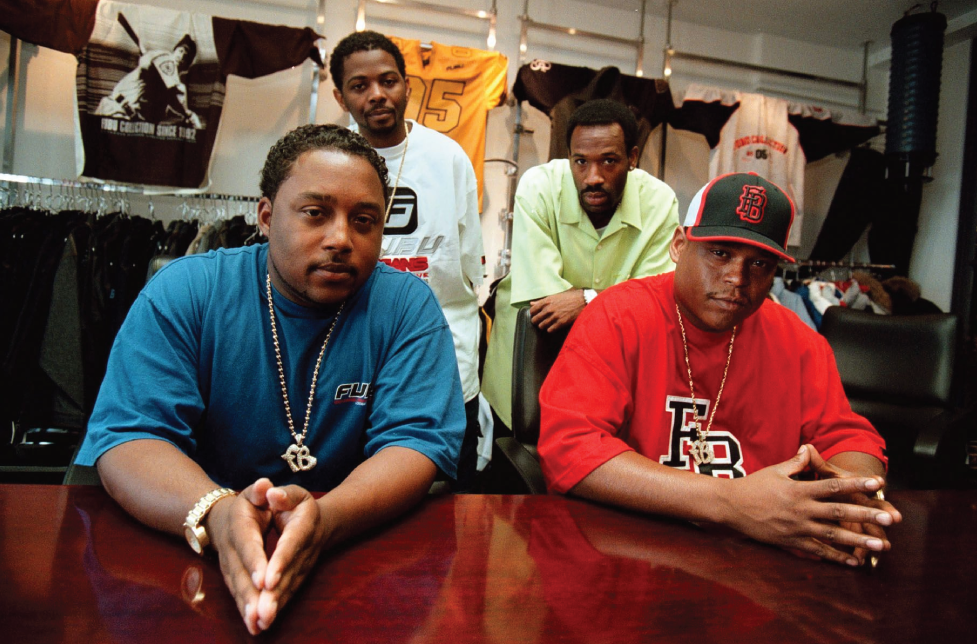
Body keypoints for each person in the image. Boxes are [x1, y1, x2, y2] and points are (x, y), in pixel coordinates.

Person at [74, 124, 466, 634]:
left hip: (348, 554)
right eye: (315, 213)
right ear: (265, 216)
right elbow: (131, 436)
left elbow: (415, 444)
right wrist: (214, 512)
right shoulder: (186, 292)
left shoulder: (406, 307)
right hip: (182, 549)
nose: (341, 239)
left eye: (365, 220)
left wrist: (325, 521)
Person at [537, 172, 902, 567]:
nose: (737, 279)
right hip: (628, 551)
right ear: (679, 246)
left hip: (755, 565)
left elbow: (846, 436)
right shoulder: (618, 315)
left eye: (759, 263)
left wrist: (853, 497)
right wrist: (731, 503)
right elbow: (570, 447)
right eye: (720, 253)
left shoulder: (801, 343)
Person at [329, 31, 485, 490]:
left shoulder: (447, 158)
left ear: (407, 85)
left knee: (439, 492)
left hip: (442, 354)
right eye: (359, 86)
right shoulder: (331, 159)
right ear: (340, 96)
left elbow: (468, 265)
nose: (377, 94)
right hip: (351, 355)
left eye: (388, 80)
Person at [482, 98, 679, 429]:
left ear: (632, 158)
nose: (593, 177)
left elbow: (654, 305)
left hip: (610, 376)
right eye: (580, 161)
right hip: (531, 359)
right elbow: (545, 305)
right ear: (568, 156)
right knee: (514, 464)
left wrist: (587, 299)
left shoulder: (659, 202)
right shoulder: (539, 187)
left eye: (609, 161)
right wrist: (615, 302)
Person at [95, 32, 203, 128]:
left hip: (133, 125)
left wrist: (189, 117)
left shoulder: (177, 88)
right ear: (174, 51)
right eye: (181, 51)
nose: (182, 56)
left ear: (186, 67)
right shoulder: (164, 57)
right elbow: (145, 62)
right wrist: (187, 113)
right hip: (116, 110)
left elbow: (175, 104)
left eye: (186, 56)